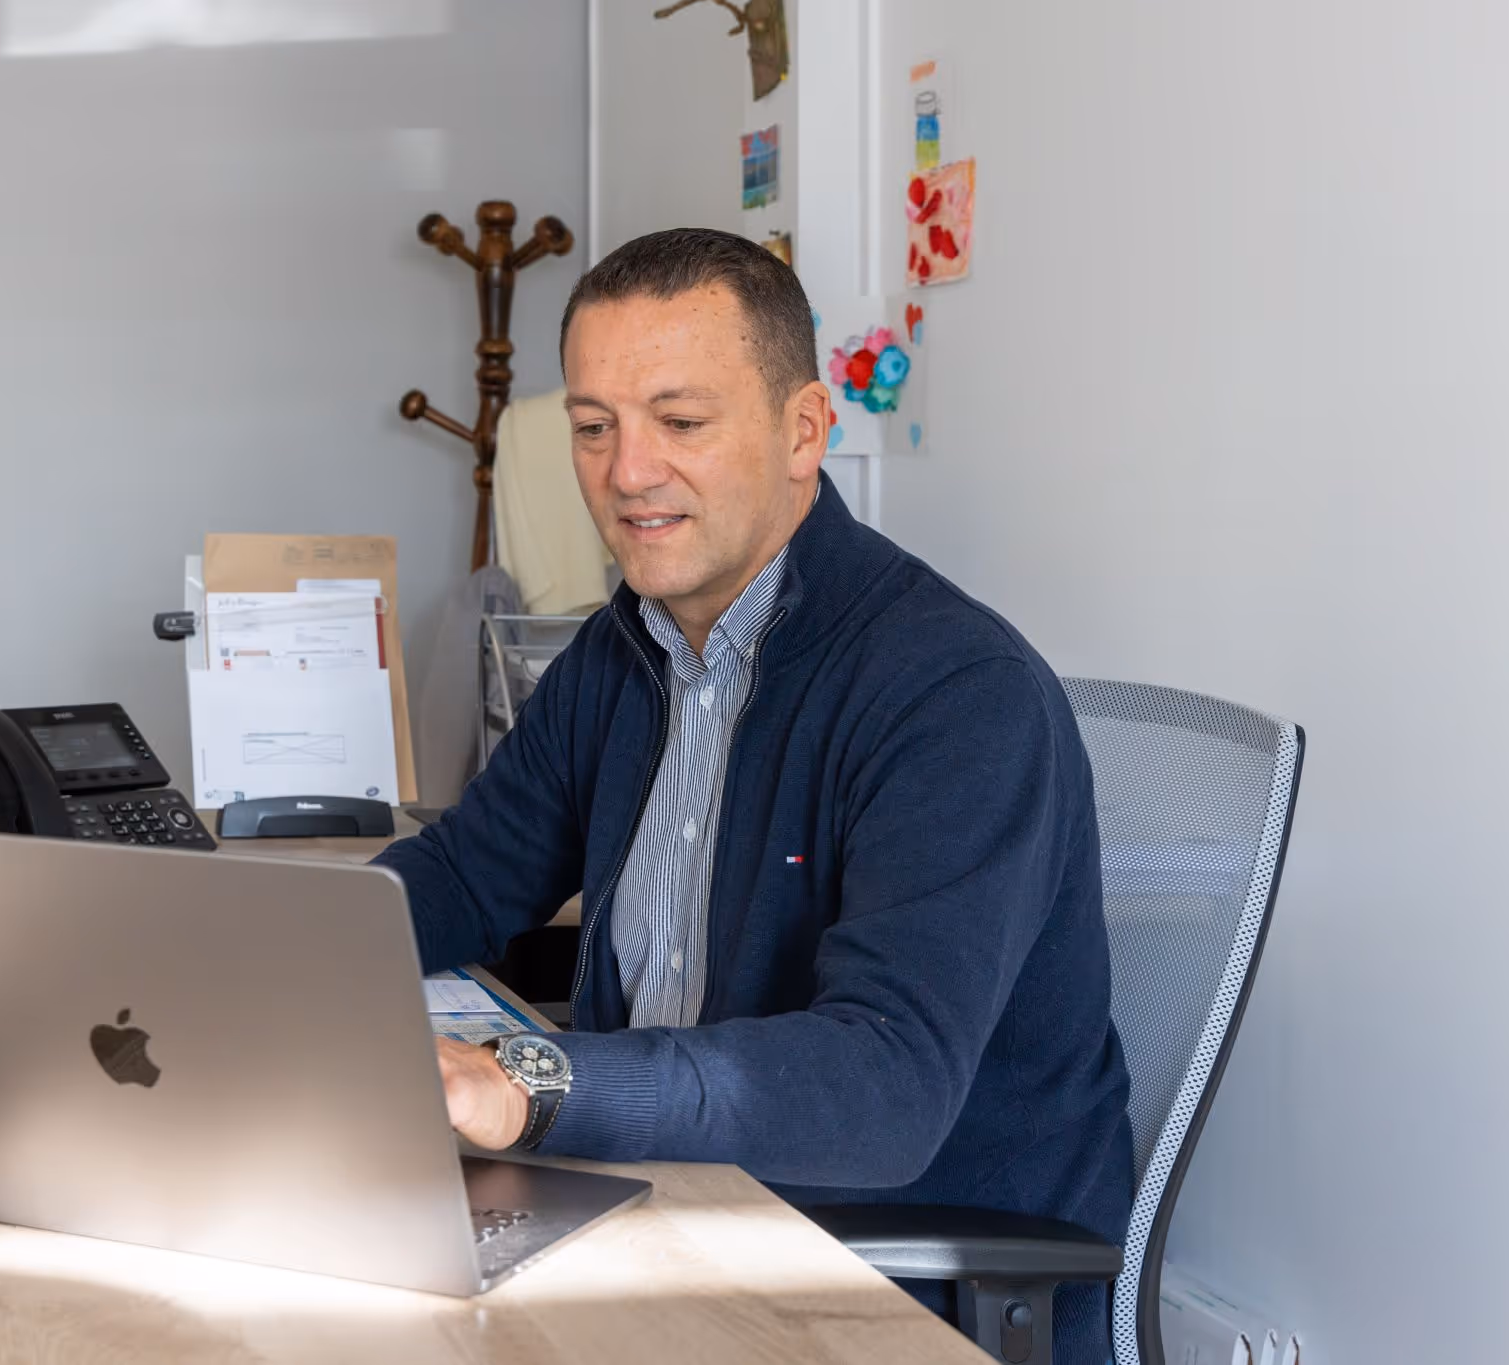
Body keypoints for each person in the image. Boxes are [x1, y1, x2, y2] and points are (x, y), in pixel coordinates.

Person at [376, 228, 1131, 1359]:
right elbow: (463, 874)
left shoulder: (954, 694)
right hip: (663, 1207)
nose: (627, 472)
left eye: (678, 423)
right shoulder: (622, 651)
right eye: (593, 428)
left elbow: (881, 1086)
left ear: (801, 432)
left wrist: (528, 1080)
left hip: (873, 1274)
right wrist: (281, 965)